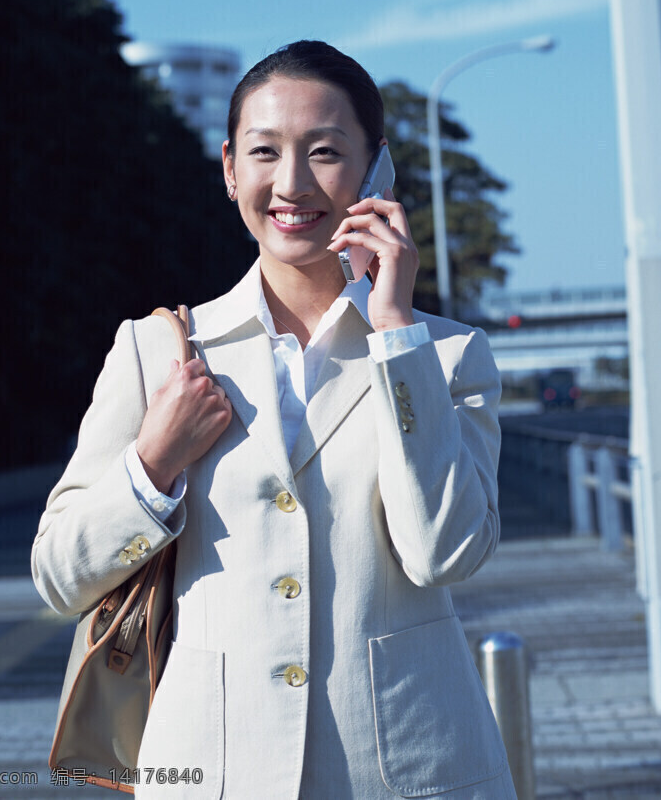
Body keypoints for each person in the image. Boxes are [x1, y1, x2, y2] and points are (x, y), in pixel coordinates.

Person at [31, 40, 514, 799]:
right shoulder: (154, 350)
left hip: (414, 774)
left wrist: (396, 336)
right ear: (229, 169)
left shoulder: (447, 356)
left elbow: (444, 553)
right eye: (264, 151)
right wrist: (152, 466)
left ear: (375, 168)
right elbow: (59, 574)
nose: (291, 183)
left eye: (325, 152)